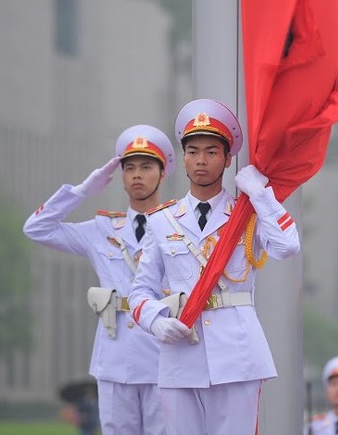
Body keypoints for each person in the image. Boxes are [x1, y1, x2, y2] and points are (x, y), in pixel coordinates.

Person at [128, 98, 301, 435]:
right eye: (193, 151)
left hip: (237, 354)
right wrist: (155, 322)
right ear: (183, 158)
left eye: (211, 151)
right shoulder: (163, 221)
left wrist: (262, 195)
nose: (201, 161)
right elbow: (140, 291)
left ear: (227, 159)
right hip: (181, 352)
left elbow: (287, 245)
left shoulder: (247, 213)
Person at [23, 124, 174, 435]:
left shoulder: (178, 227)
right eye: (129, 168)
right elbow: (36, 229)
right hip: (116, 354)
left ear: (163, 173)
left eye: (146, 167)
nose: (136, 175)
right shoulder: (102, 229)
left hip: (164, 352)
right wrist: (80, 192)